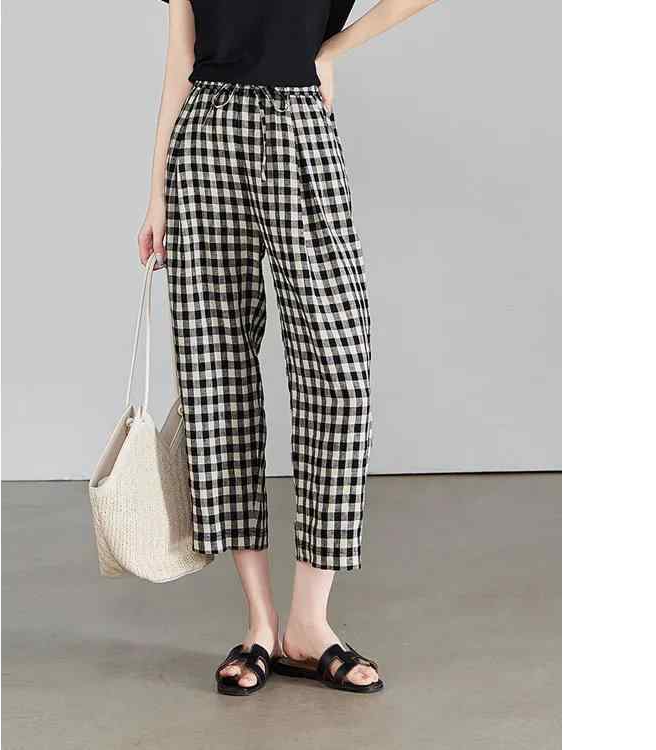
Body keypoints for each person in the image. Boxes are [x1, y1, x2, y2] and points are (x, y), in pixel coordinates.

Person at [138, 0, 435, 696]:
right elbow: (181, 59)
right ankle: (260, 624)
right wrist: (156, 195)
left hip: (302, 125)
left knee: (341, 373)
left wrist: (331, 50)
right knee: (217, 377)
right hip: (206, 137)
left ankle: (310, 621)